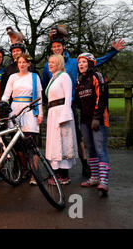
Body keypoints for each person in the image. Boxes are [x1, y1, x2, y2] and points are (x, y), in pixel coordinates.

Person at [42, 25, 125, 177]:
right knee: (54, 137)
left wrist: (113, 52)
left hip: (71, 104)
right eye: (54, 47)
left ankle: (85, 164)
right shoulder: (48, 66)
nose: (56, 49)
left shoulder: (74, 63)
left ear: (63, 47)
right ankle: (56, 168)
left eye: (59, 46)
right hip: (54, 107)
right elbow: (45, 87)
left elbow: (96, 61)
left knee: (77, 135)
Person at [2, 53, 43, 185]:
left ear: (29, 64)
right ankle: (24, 170)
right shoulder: (13, 77)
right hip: (15, 111)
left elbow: (39, 96)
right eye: (19, 62)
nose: (22, 64)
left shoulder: (34, 77)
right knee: (18, 144)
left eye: (24, 62)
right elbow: (6, 96)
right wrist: (1, 109)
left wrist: (40, 114)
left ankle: (34, 174)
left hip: (30, 110)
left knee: (31, 144)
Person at [75, 53, 111, 196]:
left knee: (100, 149)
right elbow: (79, 103)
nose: (81, 65)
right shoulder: (80, 81)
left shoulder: (97, 76)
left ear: (90, 63)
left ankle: (104, 182)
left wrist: (96, 117)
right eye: (79, 63)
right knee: (91, 149)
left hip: (99, 119)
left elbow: (101, 96)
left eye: (84, 62)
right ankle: (95, 178)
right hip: (84, 120)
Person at [45, 54, 78, 185]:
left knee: (63, 142)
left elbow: (68, 97)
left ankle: (64, 175)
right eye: (49, 62)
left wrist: (65, 114)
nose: (50, 64)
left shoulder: (64, 76)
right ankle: (57, 172)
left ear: (59, 63)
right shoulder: (53, 78)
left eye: (53, 62)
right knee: (55, 142)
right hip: (53, 112)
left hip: (61, 112)